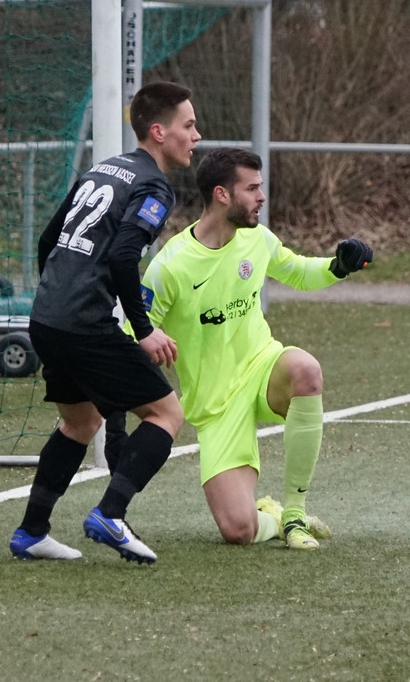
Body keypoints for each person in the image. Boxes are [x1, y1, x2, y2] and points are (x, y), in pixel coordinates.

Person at [140, 147, 372, 549]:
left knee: (305, 370)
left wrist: (338, 266)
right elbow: (134, 333)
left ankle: (295, 514)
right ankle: (275, 519)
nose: (262, 197)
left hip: (262, 368)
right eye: (251, 189)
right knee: (238, 531)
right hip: (215, 404)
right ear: (222, 194)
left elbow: (298, 271)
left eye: (260, 187)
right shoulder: (170, 266)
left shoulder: (257, 239)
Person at [9, 81, 200, 564]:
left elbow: (48, 240)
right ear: (159, 132)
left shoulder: (103, 169)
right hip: (82, 324)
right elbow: (121, 255)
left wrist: (58, 295)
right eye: (189, 125)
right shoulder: (153, 185)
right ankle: (111, 515)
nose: (196, 136)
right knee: (167, 414)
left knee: (80, 422)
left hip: (47, 317)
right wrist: (144, 329)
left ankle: (31, 532)